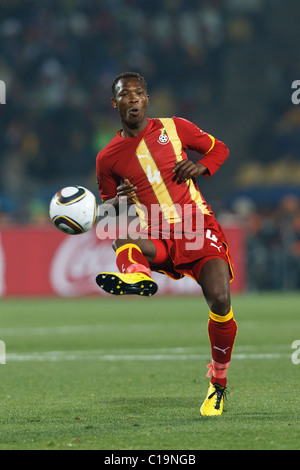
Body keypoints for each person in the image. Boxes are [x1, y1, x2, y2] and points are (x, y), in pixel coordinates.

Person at [96, 72, 237, 417]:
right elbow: (105, 208)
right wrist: (118, 200)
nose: (133, 99)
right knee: (119, 235)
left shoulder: (176, 127)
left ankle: (218, 384)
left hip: (195, 227)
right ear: (115, 104)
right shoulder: (107, 158)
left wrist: (201, 167)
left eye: (139, 93)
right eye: (125, 95)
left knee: (220, 299)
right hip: (157, 235)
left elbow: (219, 149)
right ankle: (136, 276)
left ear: (147, 100)